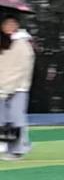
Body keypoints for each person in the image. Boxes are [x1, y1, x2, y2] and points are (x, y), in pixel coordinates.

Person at [0, 13, 34, 160]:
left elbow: (23, 67)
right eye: (6, 23)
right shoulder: (2, 41)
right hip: (2, 87)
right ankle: (9, 147)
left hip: (18, 88)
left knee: (16, 118)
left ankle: (18, 149)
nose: (9, 26)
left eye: (12, 23)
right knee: (3, 120)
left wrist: (12, 86)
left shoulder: (22, 42)